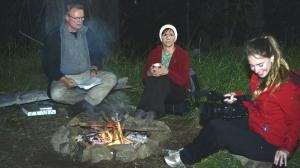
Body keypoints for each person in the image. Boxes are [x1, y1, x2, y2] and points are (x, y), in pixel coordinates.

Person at [164, 35, 300, 167]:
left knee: (219, 130)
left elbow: (296, 121)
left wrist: (286, 149)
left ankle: (184, 158)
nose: (256, 70)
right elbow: (256, 101)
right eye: (252, 66)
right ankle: (187, 151)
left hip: (271, 145)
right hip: (256, 126)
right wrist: (237, 97)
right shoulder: (259, 77)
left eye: (260, 64)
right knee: (216, 120)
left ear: (272, 58)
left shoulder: (285, 87)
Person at [42, 3, 117, 117]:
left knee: (111, 78)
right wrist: (64, 79)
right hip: (65, 77)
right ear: (67, 18)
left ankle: (82, 105)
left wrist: (94, 69)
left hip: (87, 75)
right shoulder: (55, 36)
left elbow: (96, 54)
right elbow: (49, 63)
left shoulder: (87, 33)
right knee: (56, 94)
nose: (80, 21)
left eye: (82, 18)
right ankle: (93, 100)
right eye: (76, 18)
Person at [135, 24, 191, 120]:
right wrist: (149, 72)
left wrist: (168, 72)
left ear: (175, 38)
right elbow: (144, 79)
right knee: (154, 78)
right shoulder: (154, 53)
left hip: (178, 91)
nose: (168, 37)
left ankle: (156, 112)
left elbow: (183, 81)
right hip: (158, 90)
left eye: (171, 34)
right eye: (165, 35)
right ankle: (141, 110)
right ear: (161, 38)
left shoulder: (182, 55)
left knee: (163, 78)